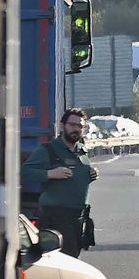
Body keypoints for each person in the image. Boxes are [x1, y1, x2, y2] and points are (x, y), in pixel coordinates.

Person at [22, 109, 99, 257]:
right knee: (61, 261)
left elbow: (79, 173)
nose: (76, 129)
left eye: (80, 126)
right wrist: (50, 174)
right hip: (56, 217)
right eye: (72, 125)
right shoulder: (48, 150)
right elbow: (25, 172)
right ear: (62, 126)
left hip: (78, 218)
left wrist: (91, 173)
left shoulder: (81, 150)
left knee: (73, 257)